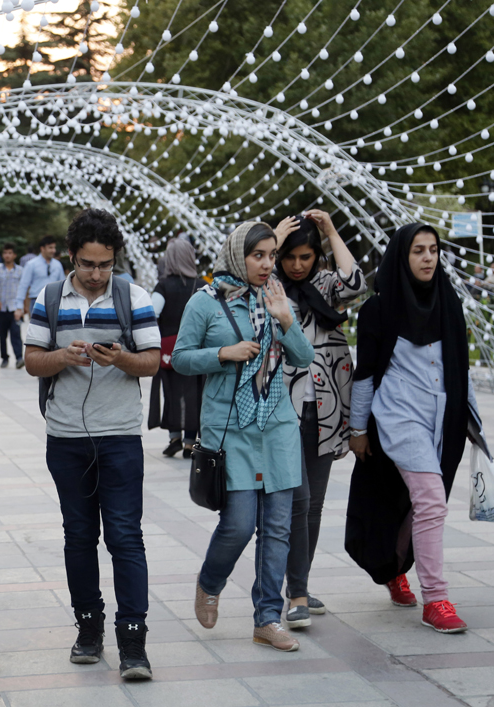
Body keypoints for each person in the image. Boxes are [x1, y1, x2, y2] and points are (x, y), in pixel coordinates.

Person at [24, 208, 161, 680]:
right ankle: (88, 628)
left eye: (105, 264)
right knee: (79, 536)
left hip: (120, 434)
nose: (97, 274)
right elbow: (32, 362)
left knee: (125, 536)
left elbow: (152, 362)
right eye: (88, 264)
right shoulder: (50, 297)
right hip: (66, 438)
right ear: (71, 257)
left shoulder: (133, 295)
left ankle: (133, 641)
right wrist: (63, 355)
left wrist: (121, 357)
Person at [172, 221, 314, 653]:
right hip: (230, 430)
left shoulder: (275, 297)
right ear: (238, 255)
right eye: (259, 255)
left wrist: (286, 320)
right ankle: (210, 581)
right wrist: (223, 354)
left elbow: (304, 358)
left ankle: (267, 618)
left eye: (272, 255)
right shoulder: (205, 302)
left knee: (277, 528)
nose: (268, 264)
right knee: (237, 524)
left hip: (278, 429)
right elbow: (179, 359)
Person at [346, 223, 480, 634]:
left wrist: (473, 416)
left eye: (433, 250)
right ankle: (436, 600)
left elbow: (461, 365)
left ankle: (393, 567)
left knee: (418, 502)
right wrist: (357, 430)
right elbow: (366, 375)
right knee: (432, 500)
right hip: (400, 417)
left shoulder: (448, 301)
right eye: (418, 250)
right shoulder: (379, 310)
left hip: (443, 417)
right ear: (401, 257)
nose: (427, 257)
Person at [271, 210, 366, 630]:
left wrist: (330, 229)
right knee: (297, 503)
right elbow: (232, 283)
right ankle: (297, 593)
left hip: (326, 412)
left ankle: (299, 586)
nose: (296, 265)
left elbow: (356, 283)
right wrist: (270, 239)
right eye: (288, 256)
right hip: (281, 412)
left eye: (305, 256)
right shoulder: (267, 288)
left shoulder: (326, 287)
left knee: (313, 507)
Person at [148, 237, 205, 458]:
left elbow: (152, 314)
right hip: (197, 349)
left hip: (169, 352)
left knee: (172, 393)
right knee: (194, 394)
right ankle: (191, 441)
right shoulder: (202, 285)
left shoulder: (162, 286)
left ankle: (174, 437)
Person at [13, 235, 65, 319]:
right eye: (50, 248)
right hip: (36, 302)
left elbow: (63, 285)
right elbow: (23, 285)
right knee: (37, 330)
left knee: (55, 331)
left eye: (54, 248)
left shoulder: (57, 265)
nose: (53, 250)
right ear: (42, 248)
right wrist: (19, 307)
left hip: (55, 303)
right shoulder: (31, 264)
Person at [0, 243, 24, 368]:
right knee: (2, 335)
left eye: (10, 253)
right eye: (5, 253)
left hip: (15, 307)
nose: (7, 255)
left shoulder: (20, 270)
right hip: (1, 307)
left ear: (14, 255)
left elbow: (24, 288)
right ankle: (4, 358)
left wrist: (24, 307)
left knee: (16, 333)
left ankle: (19, 357)